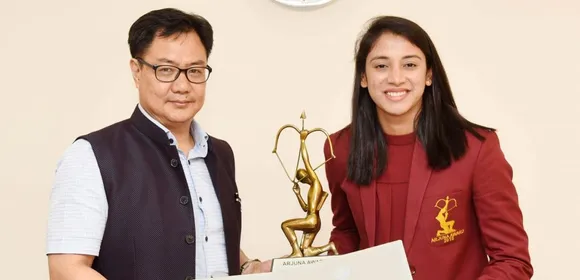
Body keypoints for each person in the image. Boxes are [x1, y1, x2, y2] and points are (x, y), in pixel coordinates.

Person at [46, 8, 270, 280]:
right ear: (137, 71)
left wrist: (252, 268)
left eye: (195, 71)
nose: (182, 85)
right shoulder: (91, 155)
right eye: (166, 70)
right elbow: (66, 270)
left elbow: (204, 238)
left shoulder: (220, 154)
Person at [323, 16, 533, 280]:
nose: (396, 78)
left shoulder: (477, 149)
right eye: (381, 66)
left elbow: (512, 260)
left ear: (429, 75)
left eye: (410, 64)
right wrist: (299, 267)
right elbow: (347, 234)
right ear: (364, 77)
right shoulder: (339, 149)